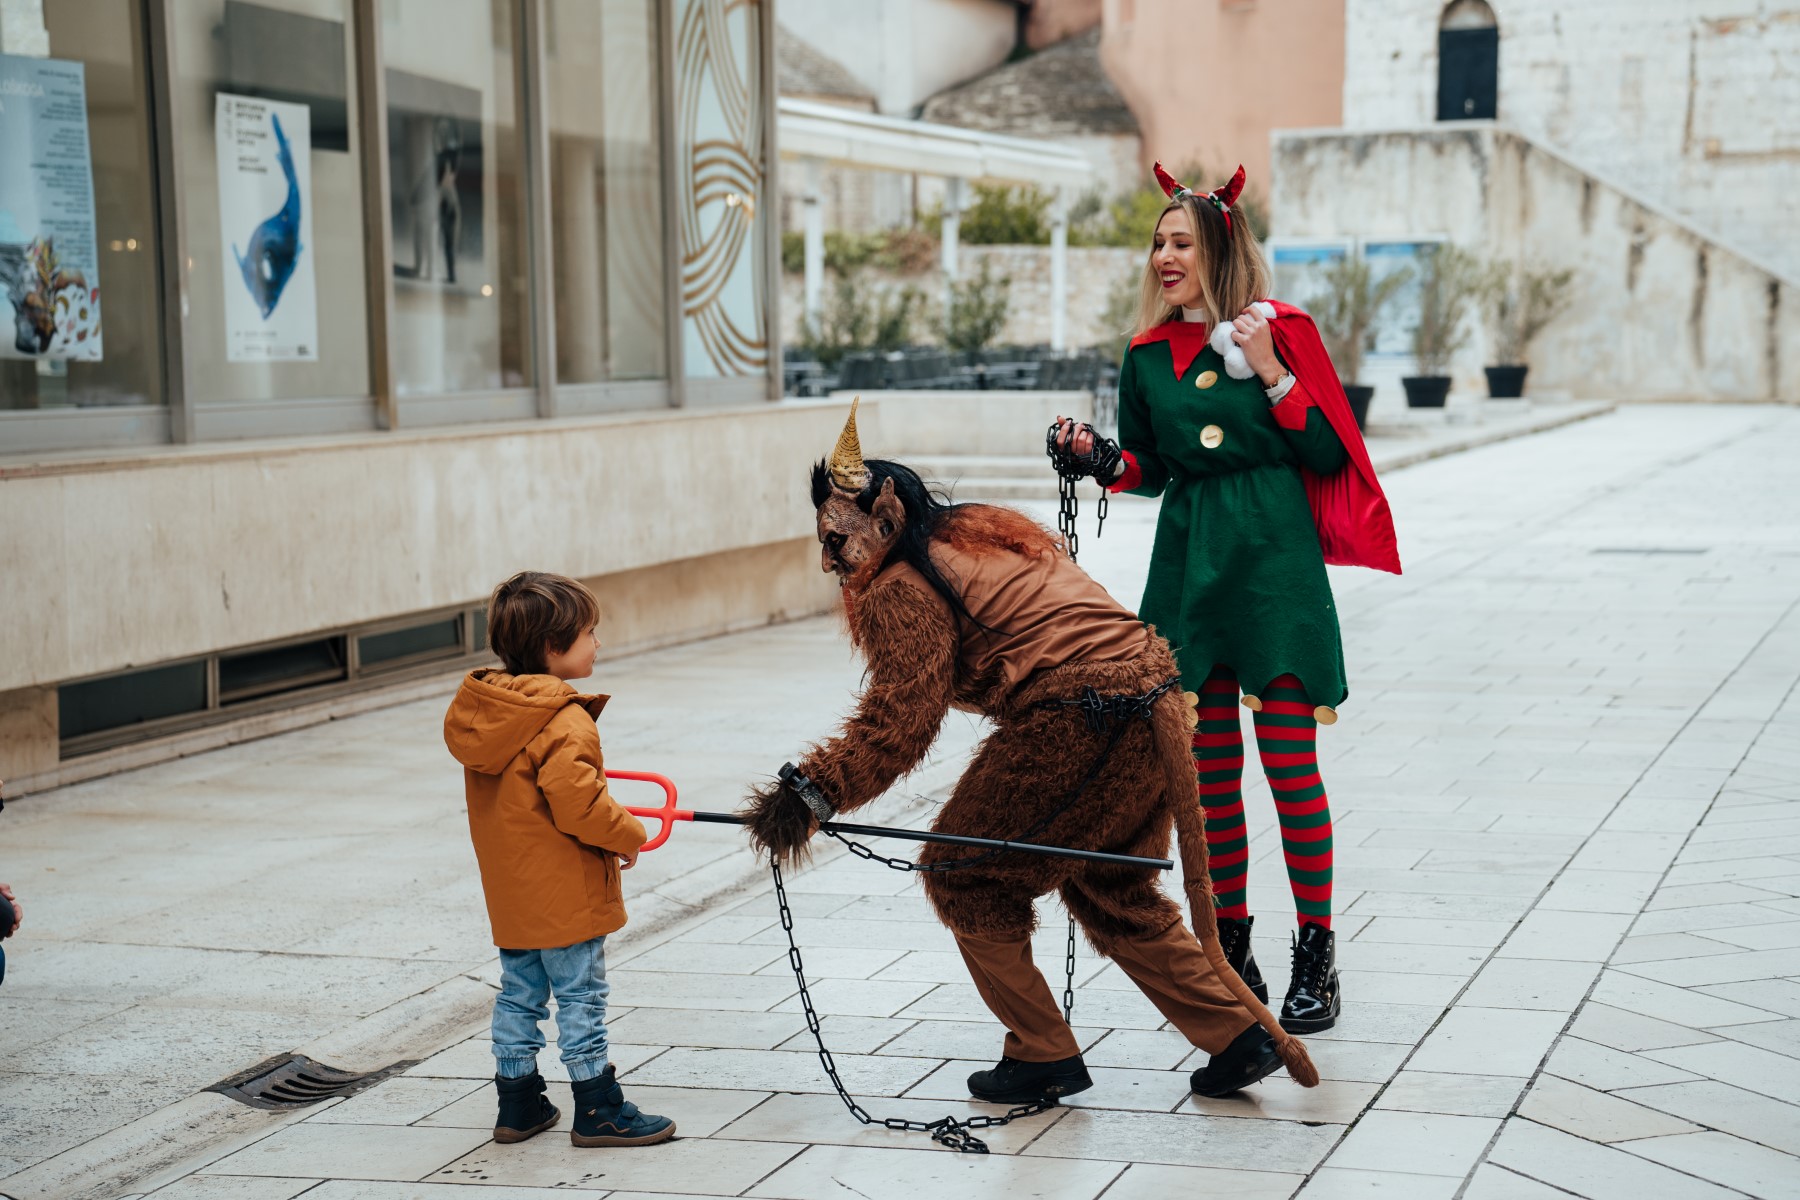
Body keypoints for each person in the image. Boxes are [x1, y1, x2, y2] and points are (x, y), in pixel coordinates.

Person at [743, 402, 1319, 1105]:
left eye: (840, 538)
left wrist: (811, 791)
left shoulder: (902, 585)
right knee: (1110, 880)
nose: (830, 558)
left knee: (962, 869)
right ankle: (1238, 1035)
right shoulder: (970, 535)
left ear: (887, 519)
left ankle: (1041, 1053)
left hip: (1084, 712)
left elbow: (901, 721)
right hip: (1156, 698)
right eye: (823, 540)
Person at [1051, 163, 1400, 1034]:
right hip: (1190, 573)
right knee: (1207, 785)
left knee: (1289, 769)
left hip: (1274, 574)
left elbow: (1326, 456)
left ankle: (1315, 953)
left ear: (1218, 250)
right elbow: (1153, 470)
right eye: (1158, 243)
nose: (1165, 256)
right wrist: (1096, 457)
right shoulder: (1144, 356)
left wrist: (1273, 371)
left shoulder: (1277, 333)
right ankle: (1230, 948)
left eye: (1181, 242)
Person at [444, 572, 674, 1147]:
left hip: (513, 891)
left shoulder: (492, 713)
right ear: (554, 647)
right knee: (580, 996)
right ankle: (597, 1106)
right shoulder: (564, 718)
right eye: (590, 632)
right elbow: (579, 804)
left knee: (519, 992)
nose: (598, 643)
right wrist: (628, 834)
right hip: (566, 890)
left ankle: (517, 1103)